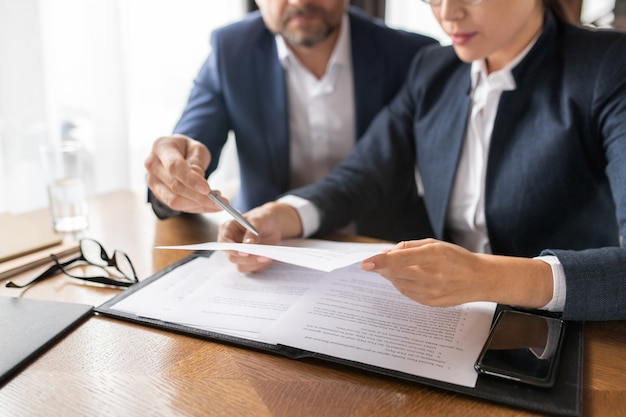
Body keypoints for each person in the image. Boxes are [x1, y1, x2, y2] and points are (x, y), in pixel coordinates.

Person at [219, 0, 626, 322]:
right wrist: (281, 215)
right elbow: (363, 174)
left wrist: (487, 278)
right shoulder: (434, 68)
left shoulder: (608, 67)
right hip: (446, 319)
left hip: (568, 327)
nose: (447, 13)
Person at [144, 0, 437, 241]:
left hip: (378, 249)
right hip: (265, 245)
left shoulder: (410, 56)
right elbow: (190, 147)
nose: (299, 2)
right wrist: (171, 178)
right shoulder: (231, 51)